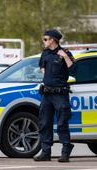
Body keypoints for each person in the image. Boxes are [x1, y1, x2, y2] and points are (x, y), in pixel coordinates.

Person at [33, 29, 76, 162]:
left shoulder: (65, 53)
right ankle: (46, 152)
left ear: (53, 40)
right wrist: (46, 73)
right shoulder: (45, 53)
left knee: (62, 123)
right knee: (44, 123)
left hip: (60, 94)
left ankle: (65, 151)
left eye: (46, 39)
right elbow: (42, 65)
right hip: (47, 94)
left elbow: (73, 69)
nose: (44, 41)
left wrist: (65, 56)